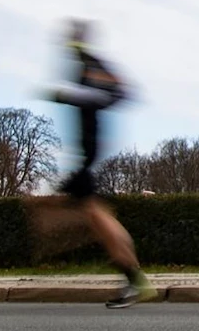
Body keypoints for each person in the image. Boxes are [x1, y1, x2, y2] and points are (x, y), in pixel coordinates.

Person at [44, 20, 157, 309]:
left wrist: (67, 96)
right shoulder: (83, 65)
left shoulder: (91, 64)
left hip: (88, 152)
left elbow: (119, 93)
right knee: (96, 217)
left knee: (97, 217)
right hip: (85, 153)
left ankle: (135, 279)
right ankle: (133, 278)